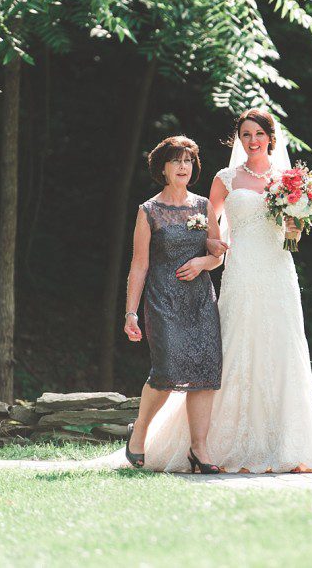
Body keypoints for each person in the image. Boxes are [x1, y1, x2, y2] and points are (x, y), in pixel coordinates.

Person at [205, 108, 312, 473]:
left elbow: (296, 234)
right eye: (245, 135)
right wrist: (212, 247)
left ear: (271, 137)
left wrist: (294, 227)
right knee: (237, 342)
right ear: (238, 140)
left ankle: (287, 446)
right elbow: (211, 224)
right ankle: (223, 446)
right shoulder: (225, 178)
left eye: (258, 134)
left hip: (277, 269)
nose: (252, 140)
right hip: (241, 269)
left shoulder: (289, 180)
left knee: (281, 346)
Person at [121, 135, 224, 474]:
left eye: (188, 161)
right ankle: (140, 431)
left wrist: (204, 263)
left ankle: (200, 449)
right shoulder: (148, 211)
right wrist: (131, 313)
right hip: (162, 301)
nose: (183, 166)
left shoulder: (202, 206)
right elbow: (139, 265)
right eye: (176, 161)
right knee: (166, 371)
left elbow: (215, 255)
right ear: (163, 168)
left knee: (206, 371)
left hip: (200, 301)